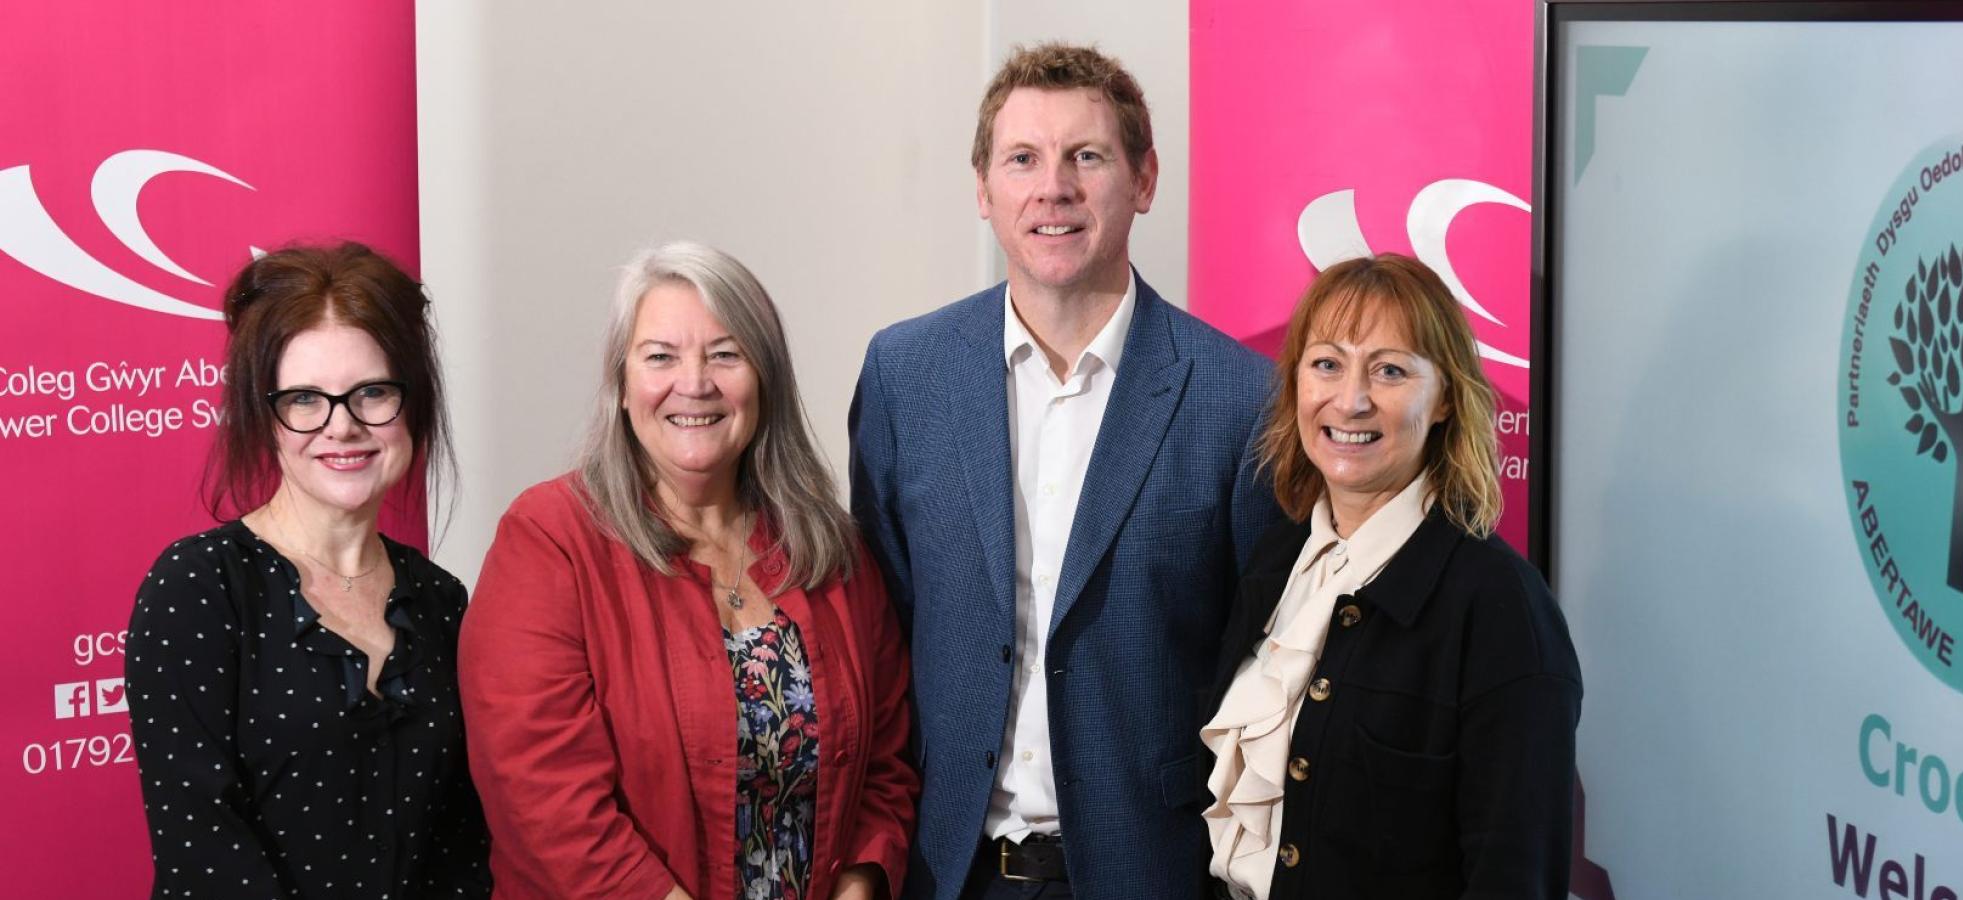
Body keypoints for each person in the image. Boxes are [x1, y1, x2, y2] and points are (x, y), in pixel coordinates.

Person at [850, 43, 1281, 900]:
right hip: (945, 872)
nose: (1054, 187)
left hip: (1150, 873)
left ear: (1144, 179)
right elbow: (881, 626)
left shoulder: (1241, 399)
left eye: (1087, 156)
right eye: (1023, 160)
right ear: (984, 190)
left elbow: (1258, 660)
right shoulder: (904, 375)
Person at [460, 242, 916, 900]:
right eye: (661, 357)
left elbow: (886, 765)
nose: (694, 382)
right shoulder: (548, 541)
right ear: (621, 384)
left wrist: (860, 885)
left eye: (724, 354)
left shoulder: (830, 549)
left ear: (764, 380)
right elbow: (543, 798)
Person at [1199, 254, 1582, 899]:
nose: (1350, 400)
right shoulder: (1276, 561)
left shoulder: (1499, 607)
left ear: (1444, 402)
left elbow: (1513, 876)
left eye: (1390, 371)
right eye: (1327, 364)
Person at [126, 242, 491, 898]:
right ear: (264, 416)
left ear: (414, 404)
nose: (342, 426)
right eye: (304, 400)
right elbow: (202, 852)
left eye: (373, 392)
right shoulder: (199, 587)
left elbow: (465, 850)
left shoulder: (442, 601)